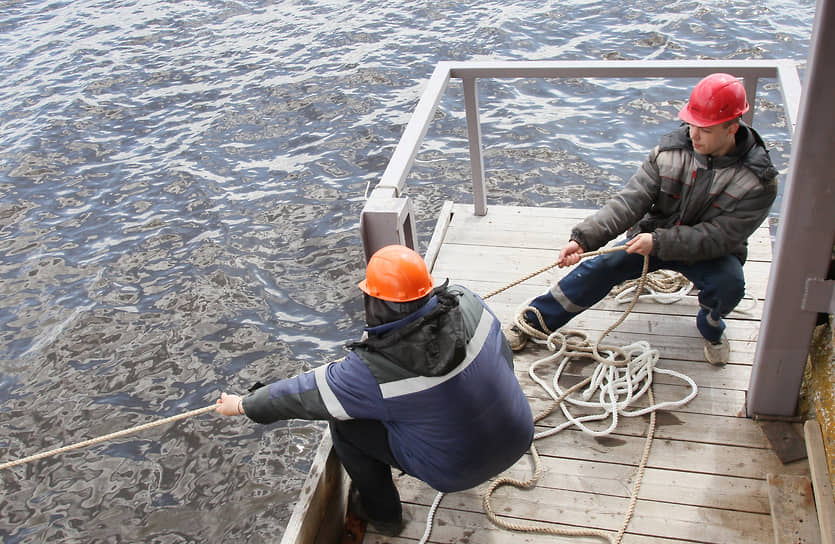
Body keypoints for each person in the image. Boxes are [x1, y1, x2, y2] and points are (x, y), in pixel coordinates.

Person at [216, 244, 534, 536]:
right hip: (520, 433)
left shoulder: (371, 371)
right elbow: (504, 357)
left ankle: (384, 516)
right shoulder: (466, 300)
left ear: (376, 302)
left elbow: (302, 395)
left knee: (345, 424)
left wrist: (244, 404)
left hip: (455, 472)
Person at [504, 73, 778, 365]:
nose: (693, 135)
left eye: (705, 130)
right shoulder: (667, 153)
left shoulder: (759, 181)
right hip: (651, 238)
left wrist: (659, 242)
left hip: (709, 253)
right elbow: (629, 201)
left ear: (732, 129)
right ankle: (535, 322)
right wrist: (583, 239)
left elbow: (720, 237)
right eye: (691, 125)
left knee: (730, 286)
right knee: (600, 268)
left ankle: (710, 327)